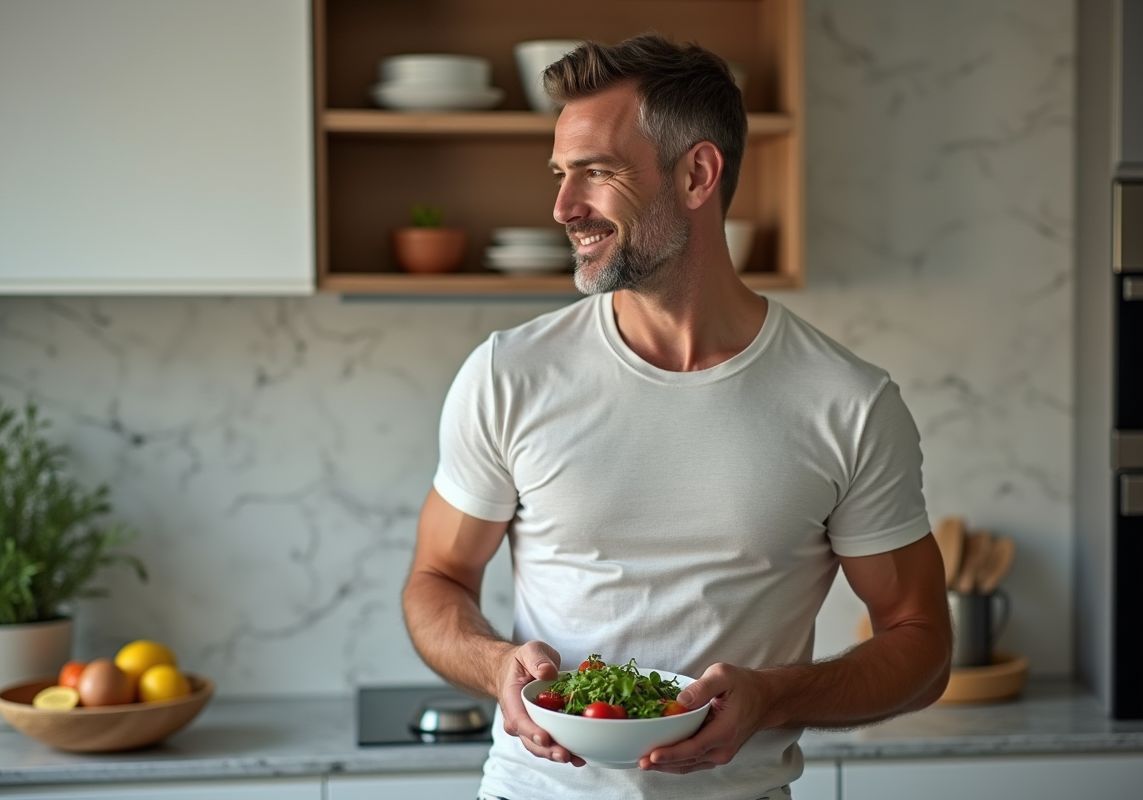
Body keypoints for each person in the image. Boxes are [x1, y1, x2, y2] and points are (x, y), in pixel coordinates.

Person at [402, 33, 951, 800]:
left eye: (596, 173)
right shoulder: (509, 374)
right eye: (562, 174)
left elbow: (920, 641)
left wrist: (774, 698)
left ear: (697, 173)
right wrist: (497, 666)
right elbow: (436, 579)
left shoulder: (847, 403)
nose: (563, 207)